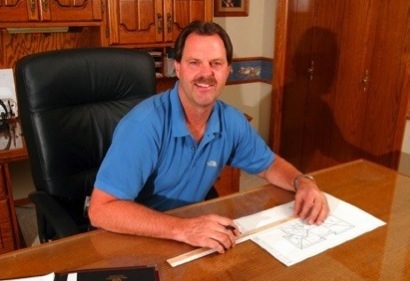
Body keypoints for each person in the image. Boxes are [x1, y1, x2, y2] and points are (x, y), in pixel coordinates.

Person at [89, 20, 329, 254]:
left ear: (228, 71)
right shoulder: (143, 125)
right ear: (178, 68)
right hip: (138, 237)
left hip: (189, 235)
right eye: (194, 62)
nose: (206, 73)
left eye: (216, 63)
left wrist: (302, 181)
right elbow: (101, 211)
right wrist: (183, 229)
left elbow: (269, 165)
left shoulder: (232, 121)